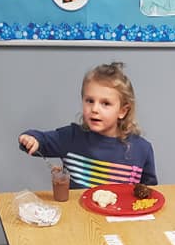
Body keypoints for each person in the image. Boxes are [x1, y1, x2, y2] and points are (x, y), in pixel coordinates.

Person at [18, 61, 157, 189]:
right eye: (90, 101)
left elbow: (150, 191)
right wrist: (31, 139)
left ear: (122, 111)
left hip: (121, 209)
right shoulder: (70, 137)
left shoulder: (142, 149)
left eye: (105, 103)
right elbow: (41, 140)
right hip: (76, 209)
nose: (94, 109)